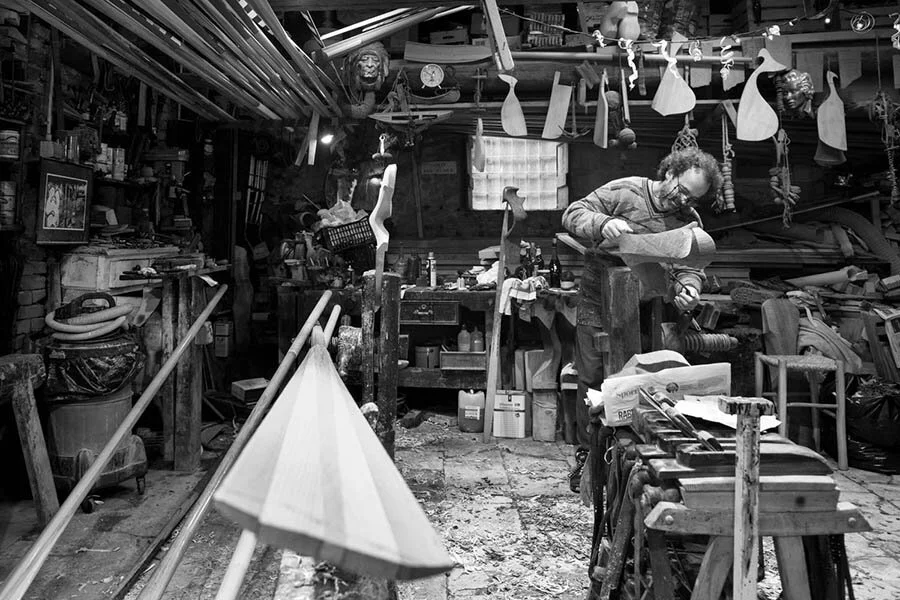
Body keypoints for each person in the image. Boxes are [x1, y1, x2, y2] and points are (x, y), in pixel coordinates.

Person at [561, 147, 723, 493]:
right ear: (670, 172)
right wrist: (603, 223)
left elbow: (689, 267)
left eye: (692, 197)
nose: (683, 200)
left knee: (642, 379)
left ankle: (632, 455)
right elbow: (573, 213)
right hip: (597, 296)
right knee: (591, 377)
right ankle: (588, 457)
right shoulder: (626, 191)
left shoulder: (687, 219)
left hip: (646, 305)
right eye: (681, 189)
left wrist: (689, 289)